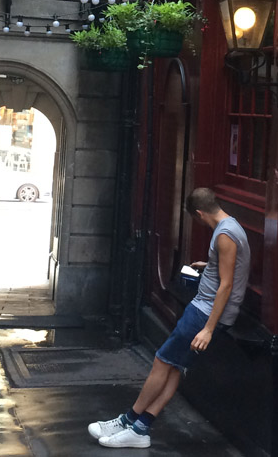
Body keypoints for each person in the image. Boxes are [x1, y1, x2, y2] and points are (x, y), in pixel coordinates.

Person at [89, 187, 250, 449]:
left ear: (199, 213)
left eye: (197, 219)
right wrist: (207, 266)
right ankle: (141, 429)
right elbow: (226, 272)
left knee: (161, 362)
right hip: (205, 310)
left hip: (204, 313)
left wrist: (208, 329)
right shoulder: (231, 227)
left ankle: (127, 420)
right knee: (174, 369)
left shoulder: (224, 235)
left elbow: (227, 285)